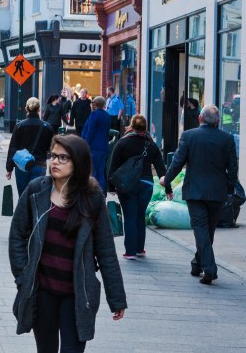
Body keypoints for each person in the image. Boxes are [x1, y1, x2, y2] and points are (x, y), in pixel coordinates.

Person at [8, 134, 127, 353]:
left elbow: (106, 250)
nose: (54, 161)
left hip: (77, 294)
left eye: (62, 157)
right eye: (52, 155)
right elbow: (17, 236)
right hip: (43, 292)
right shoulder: (36, 191)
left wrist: (118, 298)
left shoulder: (91, 199)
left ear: (78, 163)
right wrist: (23, 277)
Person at [160, 104, 239, 285]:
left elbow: (178, 162)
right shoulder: (227, 139)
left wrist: (167, 179)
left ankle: (209, 269)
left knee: (202, 230)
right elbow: (233, 169)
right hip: (217, 193)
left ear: (199, 118)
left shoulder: (189, 136)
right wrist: (228, 190)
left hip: (195, 191)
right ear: (218, 121)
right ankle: (197, 263)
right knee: (207, 230)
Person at [108, 114, 166, 261]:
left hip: (127, 185)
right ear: (145, 127)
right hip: (147, 184)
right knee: (140, 216)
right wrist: (169, 189)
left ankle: (130, 252)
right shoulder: (151, 144)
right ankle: (140, 249)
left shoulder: (122, 143)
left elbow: (113, 166)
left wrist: (111, 187)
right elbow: (161, 169)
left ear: (131, 126)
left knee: (130, 217)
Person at [7, 98, 55, 197]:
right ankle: (34, 212)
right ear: (39, 109)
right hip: (39, 164)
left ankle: (24, 212)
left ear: (26, 109)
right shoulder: (47, 127)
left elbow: (13, 148)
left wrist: (9, 168)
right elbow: (51, 148)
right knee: (36, 195)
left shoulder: (20, 126)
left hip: (21, 165)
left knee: (23, 195)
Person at [81, 96, 111, 192]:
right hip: (104, 147)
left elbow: (90, 132)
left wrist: (85, 145)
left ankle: (93, 193)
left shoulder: (94, 114)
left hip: (94, 147)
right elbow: (107, 132)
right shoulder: (107, 115)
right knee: (101, 172)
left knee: (93, 172)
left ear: (95, 104)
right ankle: (101, 193)